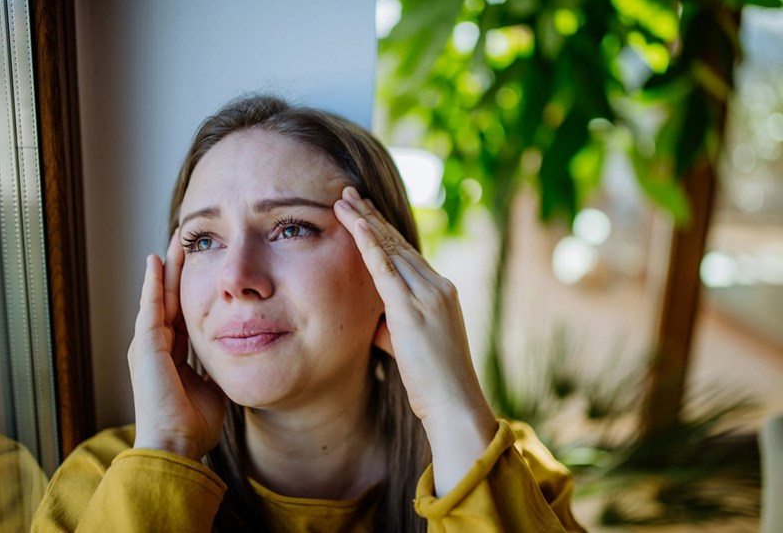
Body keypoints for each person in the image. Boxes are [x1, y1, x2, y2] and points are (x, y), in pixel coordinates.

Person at [31, 95, 586, 532]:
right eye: (202, 240)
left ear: (389, 266)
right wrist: (169, 451)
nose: (235, 279)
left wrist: (453, 412)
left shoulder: (513, 474)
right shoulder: (100, 482)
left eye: (291, 228)